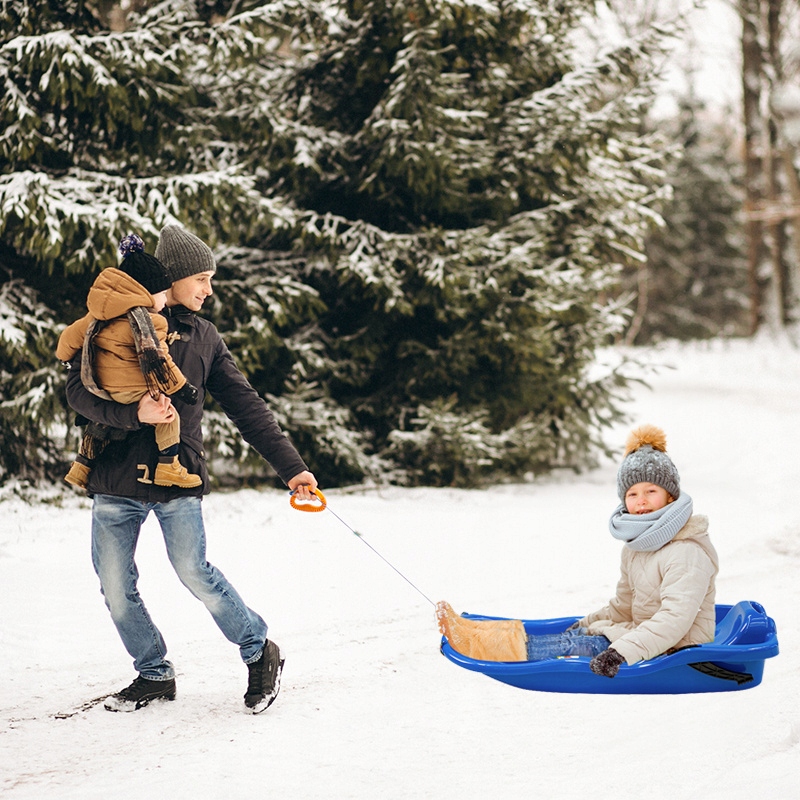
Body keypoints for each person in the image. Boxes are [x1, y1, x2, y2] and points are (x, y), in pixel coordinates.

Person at [64, 224, 318, 713]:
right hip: (115, 478)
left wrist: (293, 470)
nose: (207, 289)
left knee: (193, 571)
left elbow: (247, 407)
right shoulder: (109, 323)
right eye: (201, 277)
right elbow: (77, 392)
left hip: (177, 474)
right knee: (115, 586)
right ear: (174, 278)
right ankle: (153, 673)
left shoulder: (203, 337)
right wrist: (132, 414)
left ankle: (259, 649)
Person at [437, 424, 719, 677]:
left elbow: (674, 619)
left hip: (677, 651)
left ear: (671, 496)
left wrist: (620, 653)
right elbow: (623, 606)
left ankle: (481, 646)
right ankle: (473, 631)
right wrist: (584, 623)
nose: (641, 501)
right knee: (576, 635)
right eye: (632, 494)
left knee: (576, 645)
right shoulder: (639, 546)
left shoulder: (685, 551)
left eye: (651, 491)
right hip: (644, 638)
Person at [57, 234, 201, 490]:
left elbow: (69, 338)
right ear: (145, 293)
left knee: (98, 422)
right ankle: (169, 467)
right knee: (168, 416)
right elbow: (159, 361)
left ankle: (81, 466)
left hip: (102, 388)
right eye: (161, 294)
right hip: (135, 390)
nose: (165, 300)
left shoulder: (96, 317)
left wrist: (64, 357)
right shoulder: (153, 322)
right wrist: (181, 388)